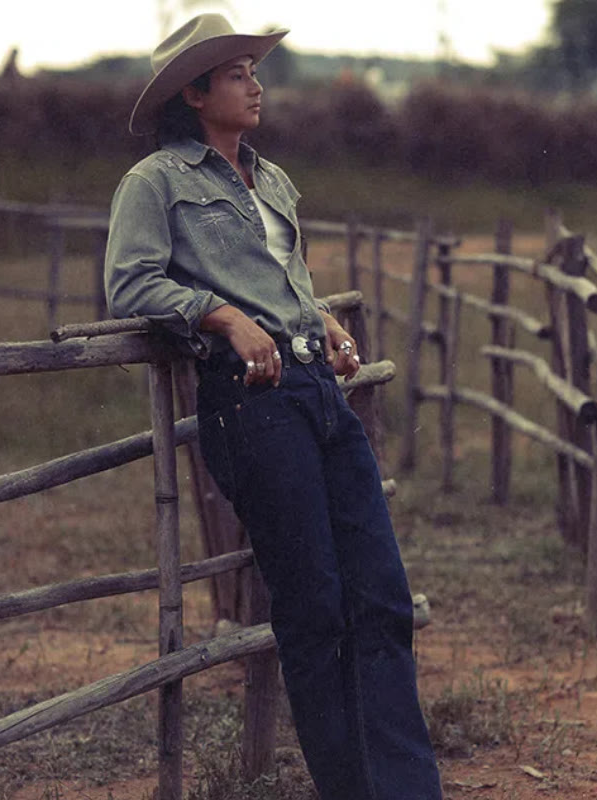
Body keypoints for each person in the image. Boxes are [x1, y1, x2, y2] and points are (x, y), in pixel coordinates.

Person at [104, 13, 442, 800]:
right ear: (192, 93)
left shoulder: (275, 180)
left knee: (382, 597)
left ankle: (409, 790)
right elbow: (130, 284)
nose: (257, 84)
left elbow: (287, 283)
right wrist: (222, 317)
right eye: (237, 74)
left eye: (256, 70)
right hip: (249, 405)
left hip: (320, 397)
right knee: (316, 611)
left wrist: (317, 319)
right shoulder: (154, 183)